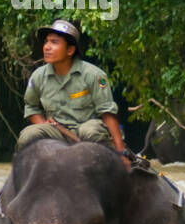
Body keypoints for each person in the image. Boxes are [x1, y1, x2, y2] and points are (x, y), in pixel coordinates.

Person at [16, 19, 133, 170]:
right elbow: (31, 107)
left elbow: (107, 113)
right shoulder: (38, 76)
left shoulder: (93, 75)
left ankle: (106, 168)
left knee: (89, 130)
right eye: (46, 42)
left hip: (87, 132)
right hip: (57, 132)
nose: (47, 47)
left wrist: (120, 151)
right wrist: (44, 125)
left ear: (70, 50)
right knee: (28, 135)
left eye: (54, 42)